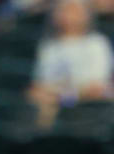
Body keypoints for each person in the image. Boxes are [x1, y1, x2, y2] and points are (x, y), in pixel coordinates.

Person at [27, 0, 114, 129]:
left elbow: (96, 86)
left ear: (86, 15)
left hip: (89, 103)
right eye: (64, 11)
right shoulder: (49, 46)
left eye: (74, 11)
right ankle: (42, 139)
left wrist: (64, 95)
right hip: (55, 100)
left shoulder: (97, 44)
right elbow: (40, 84)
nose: (68, 16)